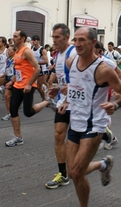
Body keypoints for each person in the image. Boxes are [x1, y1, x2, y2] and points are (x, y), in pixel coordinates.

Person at [58, 27, 121, 207]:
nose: (77, 44)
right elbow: (76, 85)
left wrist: (114, 104)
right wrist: (66, 97)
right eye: (75, 40)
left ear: (92, 43)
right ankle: (103, 165)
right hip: (75, 123)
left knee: (76, 171)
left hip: (94, 126)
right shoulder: (71, 61)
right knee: (73, 172)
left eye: (82, 40)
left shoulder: (103, 69)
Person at [5, 30, 54, 147]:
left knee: (28, 112)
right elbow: (19, 70)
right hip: (18, 85)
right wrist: (12, 81)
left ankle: (47, 101)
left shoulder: (26, 51)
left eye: (16, 36)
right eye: (13, 36)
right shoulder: (16, 52)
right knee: (13, 110)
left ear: (22, 38)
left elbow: (37, 69)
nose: (13, 38)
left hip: (28, 86)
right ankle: (18, 138)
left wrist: (29, 84)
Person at [45, 23, 77, 189]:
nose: (54, 40)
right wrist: (57, 89)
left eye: (57, 37)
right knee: (58, 135)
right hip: (63, 101)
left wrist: (69, 98)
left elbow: (82, 81)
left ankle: (100, 164)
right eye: (53, 37)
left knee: (78, 144)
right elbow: (65, 81)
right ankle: (63, 174)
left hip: (78, 104)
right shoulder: (57, 55)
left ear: (66, 37)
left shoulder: (73, 54)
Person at [31, 35, 49, 101]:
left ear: (38, 41)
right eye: (32, 40)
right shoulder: (31, 48)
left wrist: (37, 63)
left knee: (39, 87)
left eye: (35, 40)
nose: (33, 41)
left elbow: (46, 61)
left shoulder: (42, 50)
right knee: (30, 84)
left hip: (41, 69)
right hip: (33, 69)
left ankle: (44, 99)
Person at [0, 45, 16, 121]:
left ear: (14, 51)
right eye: (7, 50)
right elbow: (7, 70)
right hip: (9, 80)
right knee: (6, 96)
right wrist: (1, 76)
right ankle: (9, 113)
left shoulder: (16, 59)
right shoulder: (8, 59)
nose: (8, 52)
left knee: (15, 98)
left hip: (17, 81)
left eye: (10, 50)